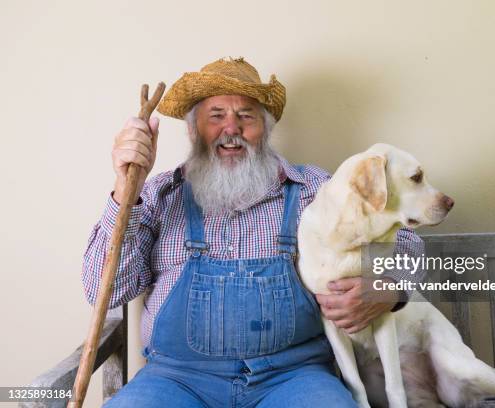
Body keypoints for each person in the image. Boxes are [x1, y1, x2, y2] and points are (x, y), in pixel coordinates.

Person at [81, 57, 425, 408]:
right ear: (192, 129)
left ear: (266, 127)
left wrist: (388, 288)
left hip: (294, 378)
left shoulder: (315, 190)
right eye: (216, 115)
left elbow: (408, 243)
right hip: (176, 381)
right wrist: (126, 190)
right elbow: (102, 291)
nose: (231, 128)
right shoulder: (156, 195)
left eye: (246, 115)